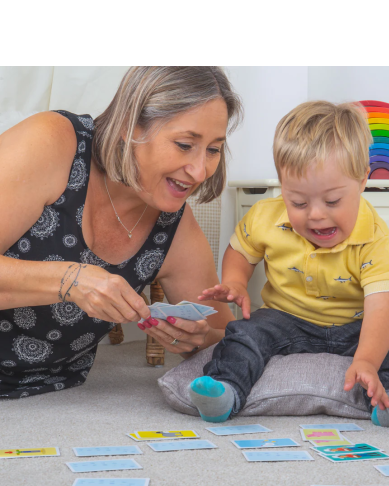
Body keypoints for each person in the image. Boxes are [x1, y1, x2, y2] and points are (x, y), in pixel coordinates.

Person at [189, 100, 389, 429]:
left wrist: (367, 359)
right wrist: (234, 281)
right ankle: (226, 392)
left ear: (363, 180)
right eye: (298, 201)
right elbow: (240, 250)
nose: (316, 214)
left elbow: (382, 305)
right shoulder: (266, 216)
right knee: (243, 332)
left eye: (332, 201)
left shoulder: (374, 236)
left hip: (355, 324)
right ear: (282, 187)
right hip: (284, 319)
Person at [0, 66, 242, 399]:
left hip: (49, 396)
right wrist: (72, 279)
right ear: (129, 126)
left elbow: (225, 335)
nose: (200, 171)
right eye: (185, 144)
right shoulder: (52, 141)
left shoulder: (173, 227)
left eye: (213, 149)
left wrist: (196, 339)